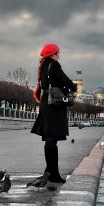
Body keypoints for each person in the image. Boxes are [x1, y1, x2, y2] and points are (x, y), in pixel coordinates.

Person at [31, 43, 77, 183]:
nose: (58, 55)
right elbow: (65, 81)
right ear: (53, 54)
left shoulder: (44, 66)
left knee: (49, 139)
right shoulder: (54, 65)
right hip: (54, 105)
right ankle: (54, 174)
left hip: (46, 103)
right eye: (57, 53)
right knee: (52, 139)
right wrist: (73, 86)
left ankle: (49, 170)